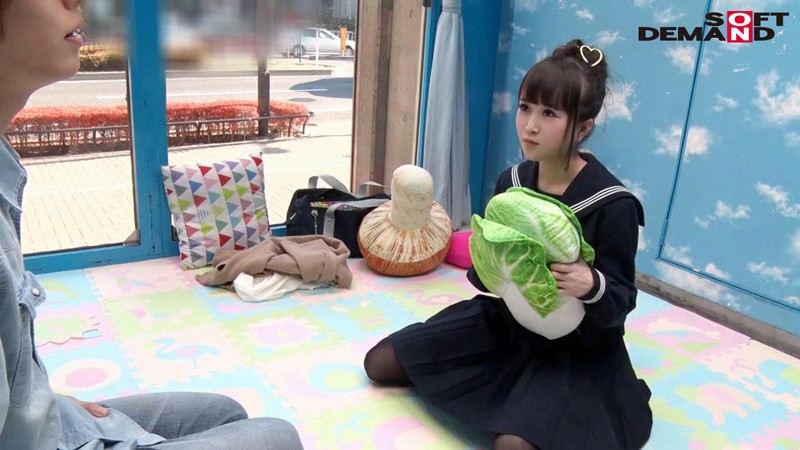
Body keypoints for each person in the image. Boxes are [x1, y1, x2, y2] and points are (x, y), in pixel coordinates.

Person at [0, 1, 304, 449]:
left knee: (224, 413)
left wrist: (43, 398)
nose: (74, 2)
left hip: (42, 424)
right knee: (277, 437)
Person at [364, 39, 653, 450]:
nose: (530, 125)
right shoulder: (512, 182)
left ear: (583, 128)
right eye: (525, 107)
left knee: (513, 447)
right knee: (379, 363)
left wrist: (591, 285)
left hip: (576, 349)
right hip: (511, 325)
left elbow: (622, 299)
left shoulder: (612, 204)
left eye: (549, 113)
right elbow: (487, 279)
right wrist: (491, 260)